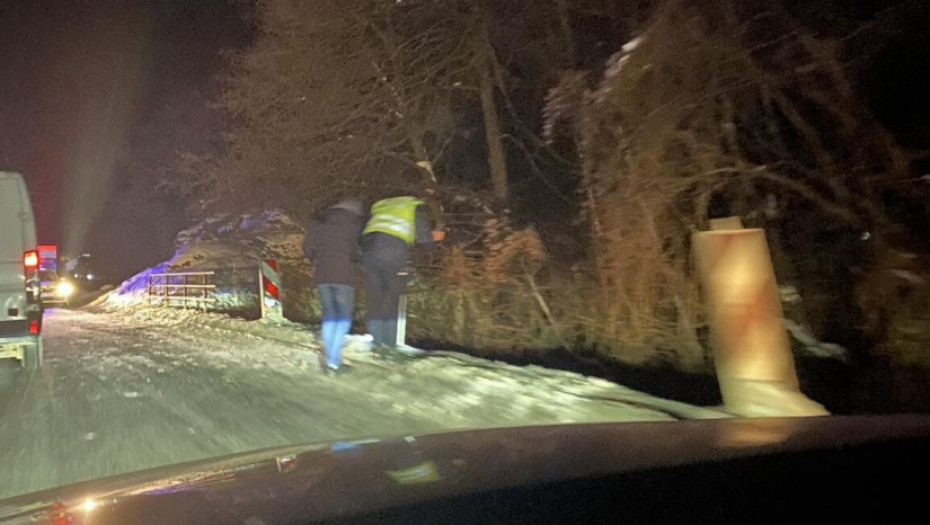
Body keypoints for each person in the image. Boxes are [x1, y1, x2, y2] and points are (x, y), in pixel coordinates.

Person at [361, 195, 439, 359]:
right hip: (393, 251)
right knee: (393, 297)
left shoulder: (382, 205)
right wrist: (435, 239)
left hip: (368, 250)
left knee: (375, 298)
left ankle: (376, 344)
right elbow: (424, 238)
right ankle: (389, 347)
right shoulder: (416, 206)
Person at [302, 198, 365, 376]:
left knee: (329, 317)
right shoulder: (354, 225)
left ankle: (332, 360)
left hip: (322, 275)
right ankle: (332, 362)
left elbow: (307, 247)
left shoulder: (319, 223)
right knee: (343, 319)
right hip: (343, 275)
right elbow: (358, 252)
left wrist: (317, 260)